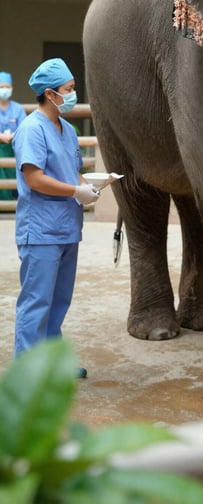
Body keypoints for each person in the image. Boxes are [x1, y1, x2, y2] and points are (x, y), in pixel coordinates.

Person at [12, 58, 99, 376]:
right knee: (37, 301)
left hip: (66, 228)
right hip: (41, 230)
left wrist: (88, 186)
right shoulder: (31, 129)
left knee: (59, 301)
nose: (74, 94)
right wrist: (75, 192)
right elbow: (34, 178)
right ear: (50, 94)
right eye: (69, 89)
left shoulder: (68, 130)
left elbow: (73, 172)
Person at [0, 71, 27, 201]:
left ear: (12, 88)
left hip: (15, 148)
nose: (4, 90)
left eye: (7, 87)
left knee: (16, 175)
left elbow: (24, 127)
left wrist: (12, 136)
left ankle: (13, 203)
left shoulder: (18, 109)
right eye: (1, 87)